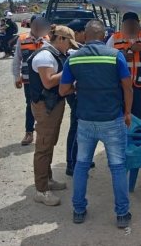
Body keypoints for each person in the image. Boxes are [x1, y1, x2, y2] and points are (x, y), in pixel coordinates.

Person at [60, 20, 134, 228]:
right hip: (112, 120)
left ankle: (78, 210)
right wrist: (127, 112)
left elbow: (63, 90)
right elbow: (128, 88)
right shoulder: (115, 56)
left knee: (81, 165)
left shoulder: (74, 59)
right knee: (118, 167)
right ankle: (121, 214)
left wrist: (78, 87)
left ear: (85, 35)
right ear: (103, 36)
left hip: (85, 120)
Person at [27, 24, 79, 206]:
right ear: (60, 39)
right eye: (69, 43)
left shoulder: (57, 55)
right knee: (43, 146)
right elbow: (48, 82)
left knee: (50, 142)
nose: (70, 47)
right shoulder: (44, 56)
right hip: (45, 106)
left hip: (54, 104)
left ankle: (47, 179)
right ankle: (41, 190)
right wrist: (69, 71)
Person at [107, 12, 141, 120]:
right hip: (120, 87)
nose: (131, 27)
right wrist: (120, 55)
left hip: (139, 88)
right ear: (123, 25)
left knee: (138, 120)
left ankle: (138, 137)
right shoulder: (115, 38)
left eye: (133, 24)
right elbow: (105, 59)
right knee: (120, 119)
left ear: (138, 24)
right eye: (128, 25)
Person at [12, 16, 49, 146]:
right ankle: (29, 132)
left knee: (46, 105)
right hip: (29, 81)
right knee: (31, 105)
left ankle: (44, 133)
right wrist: (17, 77)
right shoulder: (22, 39)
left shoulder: (48, 39)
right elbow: (17, 60)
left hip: (46, 80)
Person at [64, 19, 90, 176]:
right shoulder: (73, 51)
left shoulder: (80, 48)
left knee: (82, 128)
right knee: (76, 128)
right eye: (84, 33)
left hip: (78, 93)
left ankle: (80, 159)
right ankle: (71, 163)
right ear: (78, 34)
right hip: (75, 94)